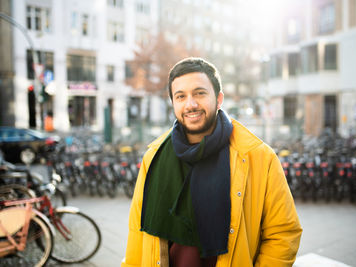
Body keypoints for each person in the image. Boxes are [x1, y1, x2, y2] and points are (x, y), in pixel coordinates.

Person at [122, 58, 302, 267]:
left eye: (200, 93)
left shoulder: (258, 156)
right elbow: (137, 232)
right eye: (180, 96)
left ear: (218, 99)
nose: (190, 104)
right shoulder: (153, 157)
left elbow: (283, 233)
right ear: (173, 104)